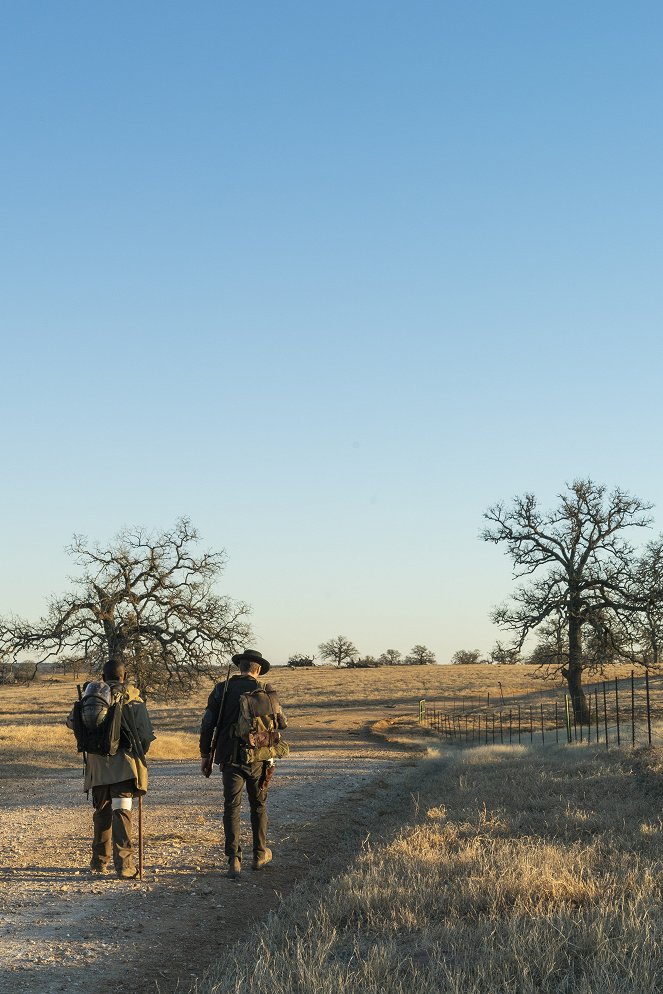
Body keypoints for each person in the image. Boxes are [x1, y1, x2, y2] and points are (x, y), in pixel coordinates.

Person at [199, 648, 287, 879]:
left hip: (229, 757)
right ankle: (259, 854)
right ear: (257, 670)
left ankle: (234, 860)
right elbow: (282, 723)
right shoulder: (267, 692)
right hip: (259, 758)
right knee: (258, 805)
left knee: (231, 807)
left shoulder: (222, 689)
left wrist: (205, 754)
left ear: (240, 667)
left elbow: (208, 724)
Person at [67, 658, 155, 879]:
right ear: (125, 677)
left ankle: (99, 862)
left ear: (103, 678)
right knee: (121, 813)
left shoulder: (91, 697)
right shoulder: (133, 699)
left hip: (97, 770)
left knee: (101, 814)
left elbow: (72, 722)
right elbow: (144, 736)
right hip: (123, 769)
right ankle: (125, 866)